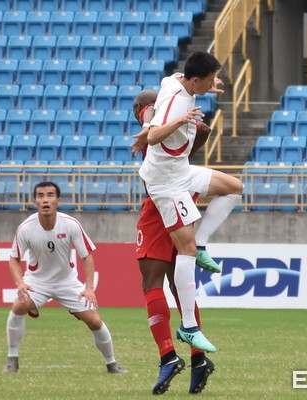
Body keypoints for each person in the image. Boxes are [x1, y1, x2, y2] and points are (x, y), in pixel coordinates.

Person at [139, 51, 243, 353]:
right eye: (209, 81)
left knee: (234, 187)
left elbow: (170, 78)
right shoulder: (176, 103)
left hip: (181, 171)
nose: (213, 84)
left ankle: (201, 243)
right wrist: (180, 121)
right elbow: (153, 136)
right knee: (182, 250)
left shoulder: (175, 82)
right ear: (194, 80)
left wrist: (207, 85)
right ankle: (188, 327)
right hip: (165, 184)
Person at [132, 89, 217, 394]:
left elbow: (148, 116)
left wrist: (145, 130)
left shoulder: (152, 110)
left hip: (160, 205)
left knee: (151, 283)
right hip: (183, 198)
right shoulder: (178, 116)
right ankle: (198, 359)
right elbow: (204, 129)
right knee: (180, 282)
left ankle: (168, 355)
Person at [3, 181, 127, 374]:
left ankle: (112, 363)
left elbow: (87, 256)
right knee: (18, 306)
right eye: (41, 196)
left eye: (50, 195)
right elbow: (13, 259)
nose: (46, 200)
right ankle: (12, 359)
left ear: (58, 201)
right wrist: (20, 283)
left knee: (94, 320)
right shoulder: (26, 228)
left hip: (67, 282)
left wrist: (89, 288)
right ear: (34, 201)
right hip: (37, 282)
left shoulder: (71, 224)